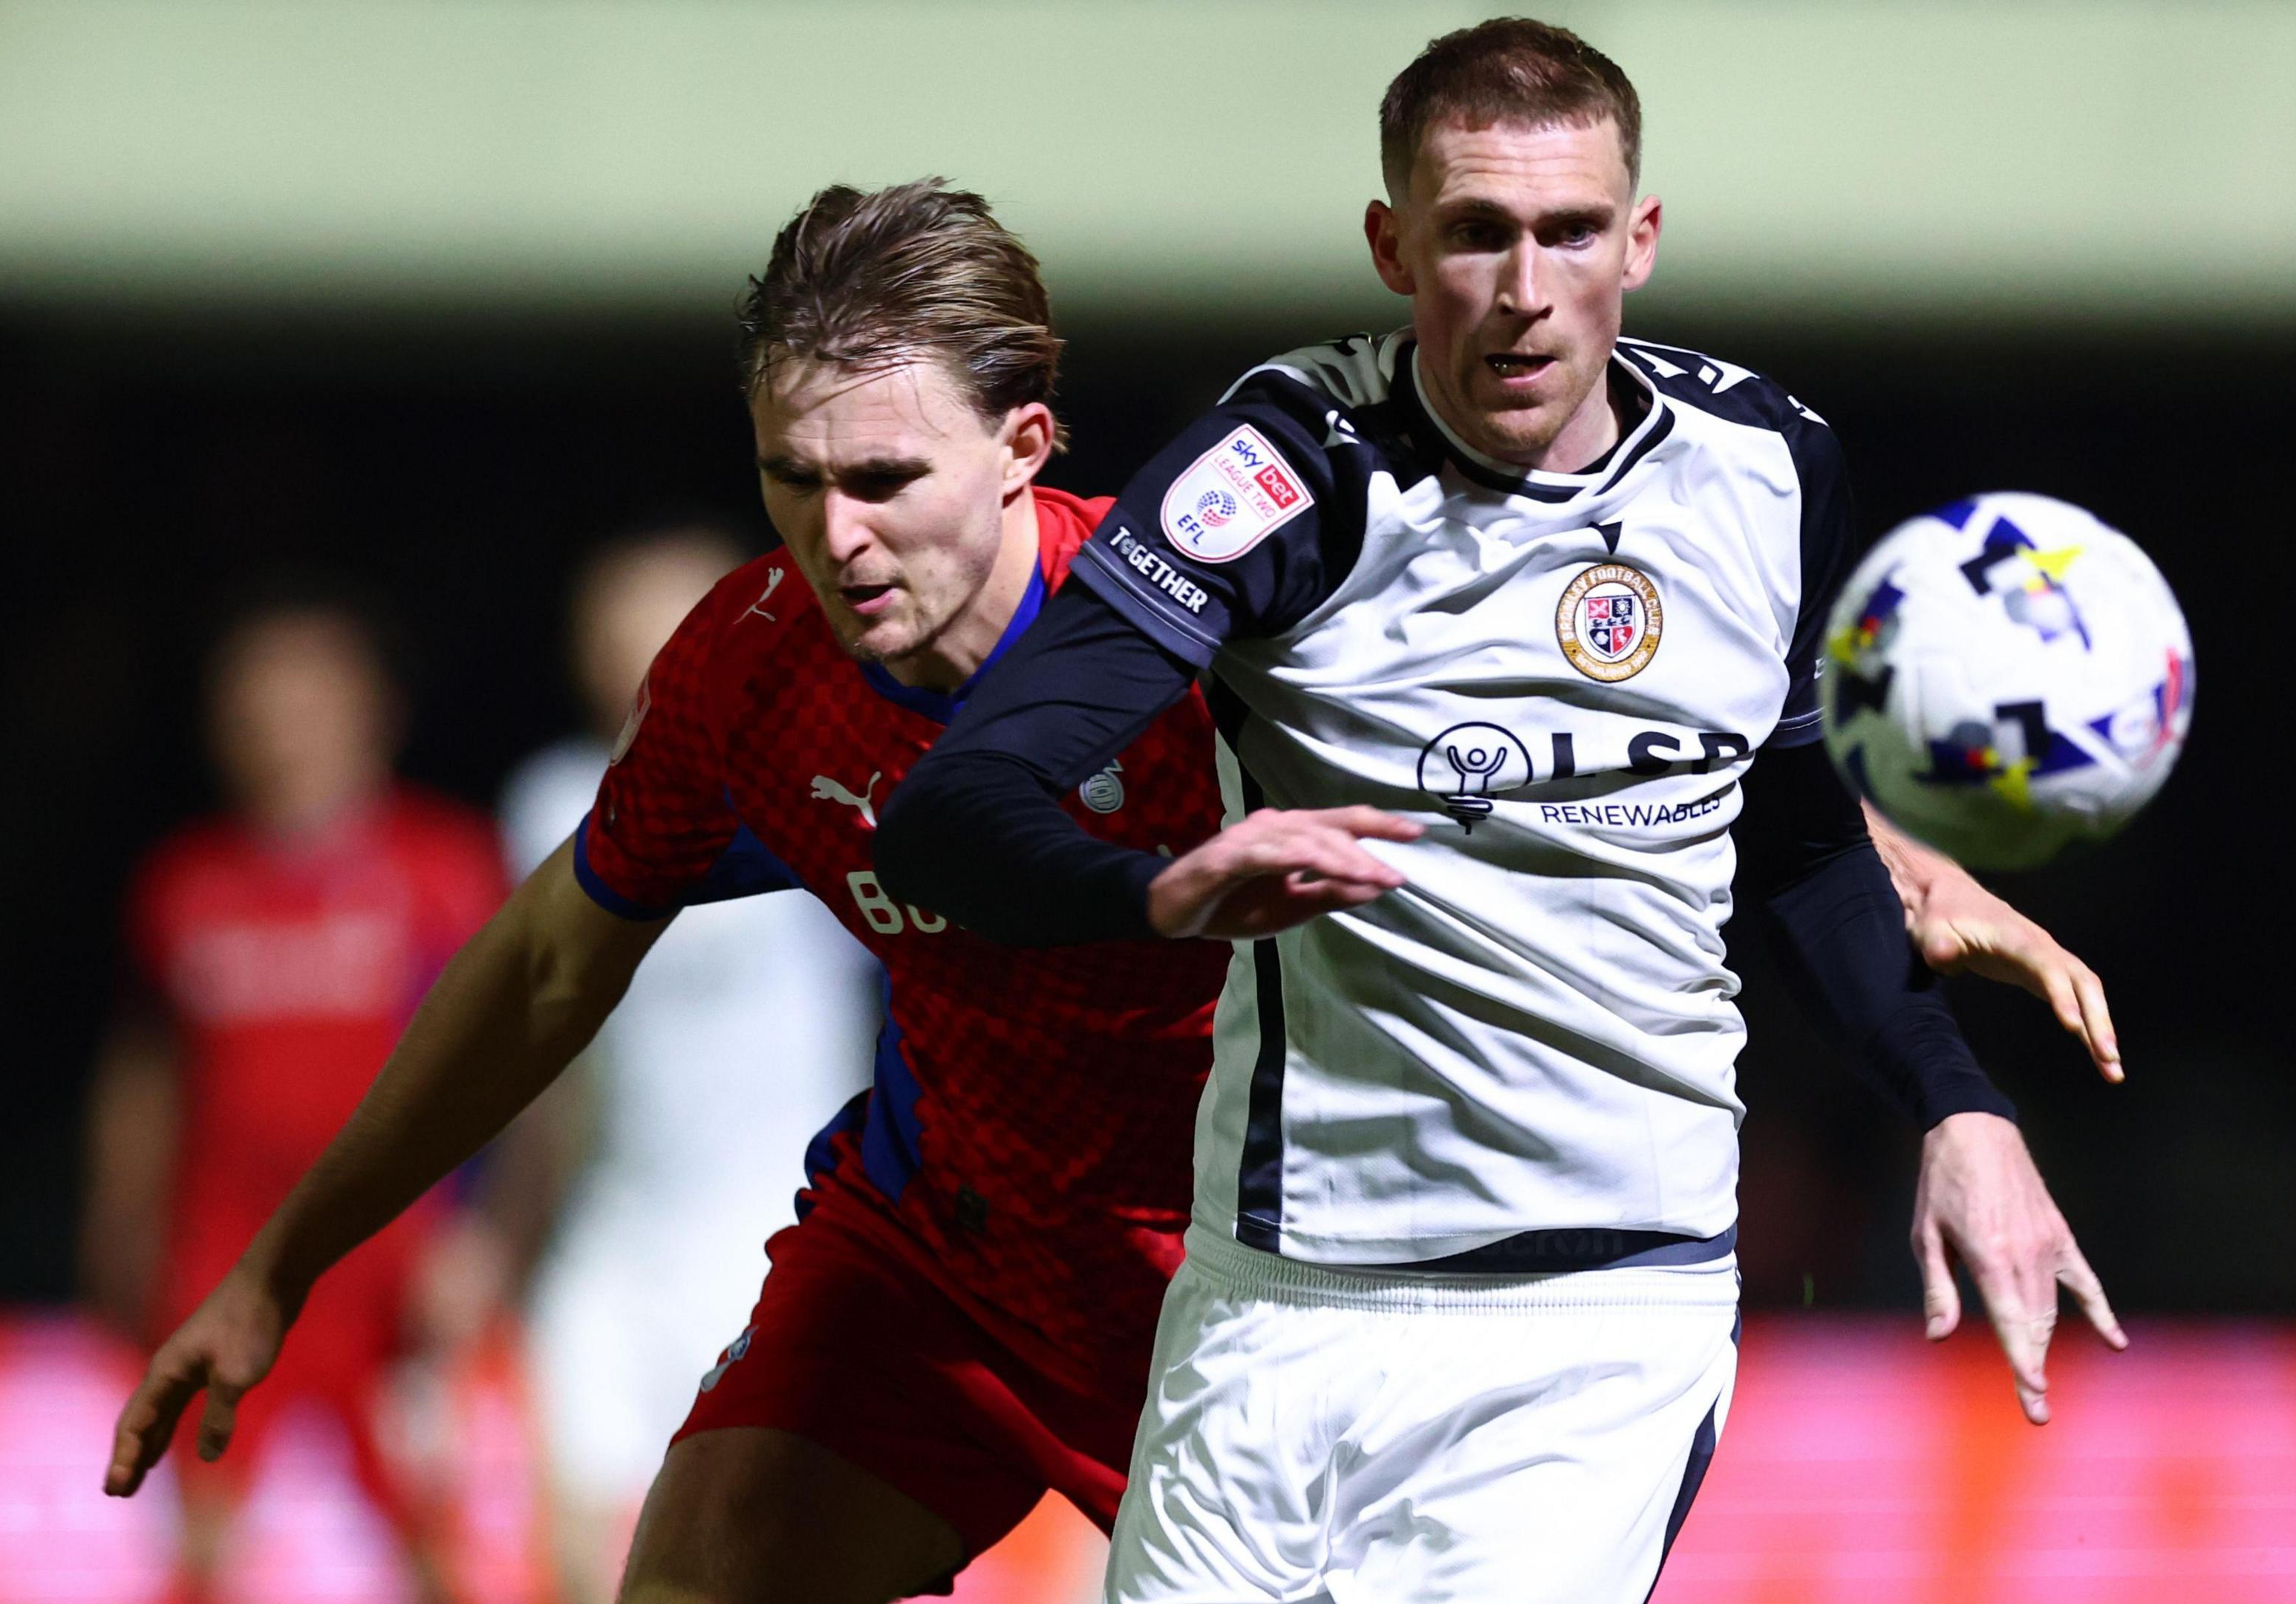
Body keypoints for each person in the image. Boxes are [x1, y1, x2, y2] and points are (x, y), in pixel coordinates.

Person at [107, 180, 2107, 1604]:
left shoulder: (1204, 626)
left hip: (1256, 1309)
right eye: (793, 478)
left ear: (1026, 449)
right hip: (940, 1261)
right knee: (700, 1571)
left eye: (884, 479)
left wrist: (1878, 853)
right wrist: (286, 1263)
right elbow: (551, 961)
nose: (835, 534)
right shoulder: (753, 673)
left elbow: (1560, 753)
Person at [875, 20, 2127, 1600]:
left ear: (1641, 240)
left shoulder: (1765, 472)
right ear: (1392, 247)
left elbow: (1799, 843)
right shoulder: (1288, 470)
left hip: (1603, 1324)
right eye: (1475, 233)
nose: (1526, 289)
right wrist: (1155, 895)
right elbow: (951, 810)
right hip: (1282, 1303)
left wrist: (1960, 1107)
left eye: (1571, 232)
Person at [81, 586, 508, 1603]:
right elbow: (148, 1069)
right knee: (200, 1536)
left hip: (389, 1261)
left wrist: (482, 1228)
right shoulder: (186, 886)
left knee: (430, 1533)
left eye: (307, 702)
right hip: (226, 1256)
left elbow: (507, 1062)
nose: (280, 731)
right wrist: (118, 1217)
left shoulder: (442, 871)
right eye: (254, 707)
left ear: (372, 710)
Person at [495, 528, 883, 1600]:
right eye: (618, 636)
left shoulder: (837, 778)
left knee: (772, 1553)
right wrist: (502, 1235)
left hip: (780, 1232)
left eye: (674, 627)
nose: (646, 657)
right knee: (577, 1544)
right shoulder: (550, 803)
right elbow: (544, 1052)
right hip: (616, 1233)